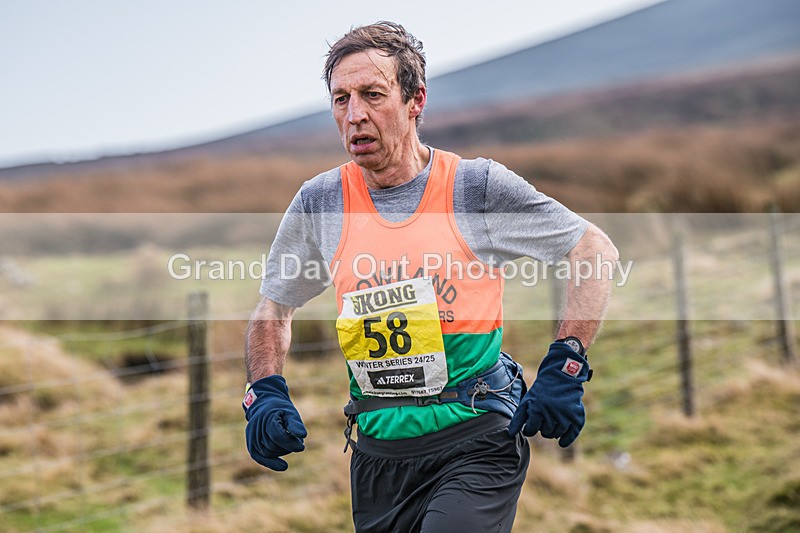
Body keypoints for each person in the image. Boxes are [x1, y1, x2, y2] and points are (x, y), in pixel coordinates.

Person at [243, 21, 618, 533]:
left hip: (477, 437)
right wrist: (263, 392)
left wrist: (566, 362)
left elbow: (592, 248)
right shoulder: (321, 202)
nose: (355, 115)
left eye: (373, 95)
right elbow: (273, 308)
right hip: (378, 455)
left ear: (415, 99)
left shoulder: (475, 187)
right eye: (341, 99)